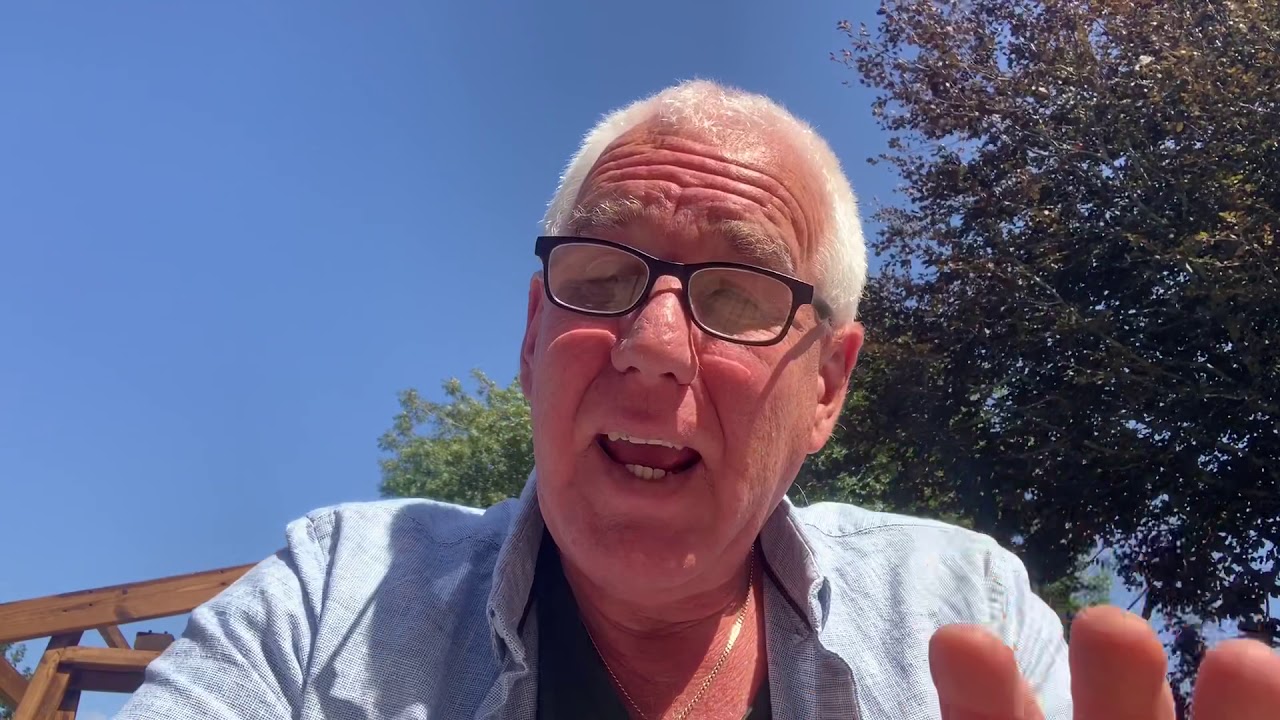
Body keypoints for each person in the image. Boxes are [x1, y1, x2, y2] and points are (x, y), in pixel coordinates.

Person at [117, 81, 1279, 720]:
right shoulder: (331, 601)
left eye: (736, 295)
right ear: (531, 337)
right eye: (597, 279)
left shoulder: (959, 614)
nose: (653, 346)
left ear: (826, 387)